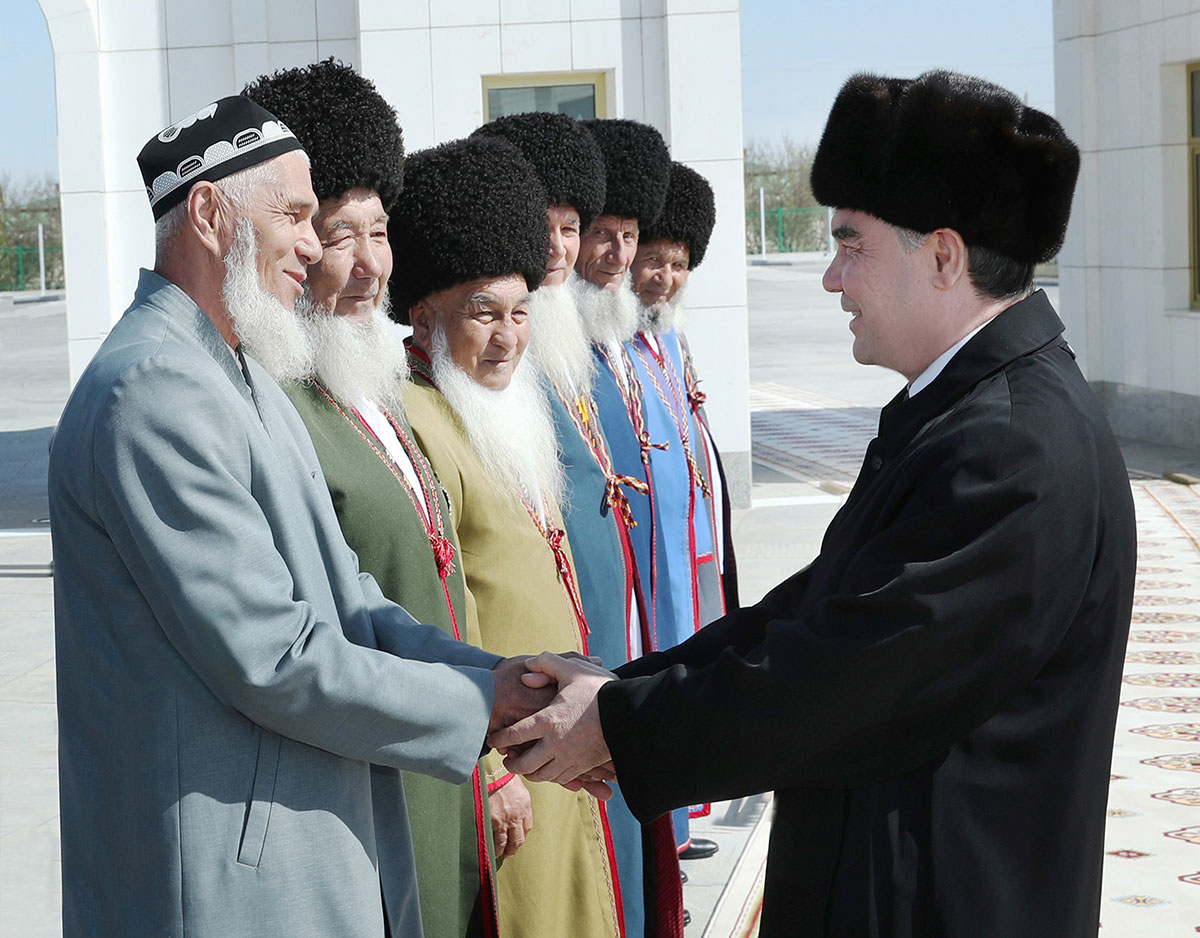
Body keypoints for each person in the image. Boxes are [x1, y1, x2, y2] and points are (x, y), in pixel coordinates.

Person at [495, 70, 1138, 938]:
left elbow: (847, 675)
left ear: (943, 256)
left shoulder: (1013, 444)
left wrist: (620, 724)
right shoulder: (969, 410)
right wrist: (626, 688)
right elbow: (819, 611)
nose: (831, 277)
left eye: (851, 244)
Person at [48, 95, 548, 938]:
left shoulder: (241, 368)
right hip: (221, 879)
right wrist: (476, 702)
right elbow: (273, 656)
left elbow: (348, 597)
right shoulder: (154, 391)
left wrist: (500, 676)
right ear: (208, 214)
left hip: (301, 844)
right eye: (293, 215)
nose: (314, 246)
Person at [241, 60, 500, 937]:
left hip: (449, 765)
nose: (366, 266)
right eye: (336, 233)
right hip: (371, 787)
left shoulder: (378, 387)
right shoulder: (275, 409)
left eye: (378, 231)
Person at [388, 135, 622, 938]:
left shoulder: (506, 405)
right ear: (425, 312)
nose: (506, 337)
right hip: (503, 762)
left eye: (519, 313)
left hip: (553, 748)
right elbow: (438, 613)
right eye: (483, 312)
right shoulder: (416, 418)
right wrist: (490, 773)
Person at [472, 111, 683, 938]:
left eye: (572, 227)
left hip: (606, 656)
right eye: (547, 227)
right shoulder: (492, 360)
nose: (561, 249)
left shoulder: (578, 346)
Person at [579, 118, 718, 861]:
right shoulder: (589, 335)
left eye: (653, 249)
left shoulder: (656, 338)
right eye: (611, 237)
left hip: (672, 549)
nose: (636, 264)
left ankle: (674, 825)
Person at [629, 159, 739, 622]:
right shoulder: (609, 344)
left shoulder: (673, 334)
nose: (666, 277)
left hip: (698, 534)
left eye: (679, 264)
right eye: (654, 260)